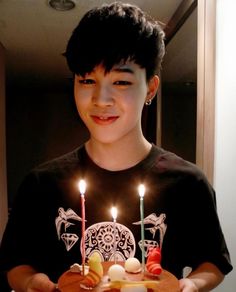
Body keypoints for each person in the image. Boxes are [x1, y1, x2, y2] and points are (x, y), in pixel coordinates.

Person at [0, 2, 232, 292]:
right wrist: (32, 283)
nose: (101, 99)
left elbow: (213, 262)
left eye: (121, 81)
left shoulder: (188, 183)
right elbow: (16, 264)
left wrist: (193, 284)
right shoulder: (40, 184)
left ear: (150, 88)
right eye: (87, 80)